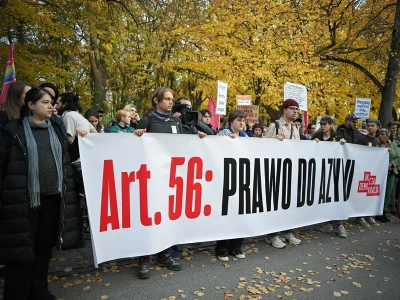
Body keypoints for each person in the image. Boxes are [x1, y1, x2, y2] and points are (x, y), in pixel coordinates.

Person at [0, 87, 84, 300]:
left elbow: (67, 156)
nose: (51, 106)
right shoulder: (12, 131)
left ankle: (38, 289)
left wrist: (81, 141)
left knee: (44, 248)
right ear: (31, 105)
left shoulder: (56, 127)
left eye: (52, 102)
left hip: (53, 199)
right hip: (23, 201)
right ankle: (17, 293)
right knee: (21, 252)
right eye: (46, 102)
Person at [133, 87, 206, 280]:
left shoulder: (175, 121)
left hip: (171, 179)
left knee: (167, 218)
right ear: (156, 100)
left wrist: (197, 138)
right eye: (166, 99)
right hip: (151, 178)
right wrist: (137, 134)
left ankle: (164, 255)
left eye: (171, 99)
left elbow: (183, 146)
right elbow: (133, 147)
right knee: (149, 219)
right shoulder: (147, 121)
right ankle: (144, 258)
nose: (170, 102)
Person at [263, 99, 302, 248]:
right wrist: (274, 140)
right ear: (284, 110)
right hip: (276, 170)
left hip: (290, 171)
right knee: (276, 203)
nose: (295, 111)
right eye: (292, 108)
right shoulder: (275, 125)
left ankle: (287, 231)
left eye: (296, 109)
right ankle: (272, 235)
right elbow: (263, 146)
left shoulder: (295, 128)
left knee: (289, 203)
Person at [214, 109, 248, 261]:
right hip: (226, 180)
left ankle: (236, 247)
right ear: (231, 122)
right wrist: (229, 142)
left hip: (241, 180)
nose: (241, 123)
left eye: (243, 120)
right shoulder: (222, 134)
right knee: (227, 215)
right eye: (238, 120)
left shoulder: (246, 136)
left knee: (241, 214)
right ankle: (221, 249)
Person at [311, 116, 347, 238]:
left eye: (325, 124)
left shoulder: (337, 137)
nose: (322, 126)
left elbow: (344, 151)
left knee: (335, 198)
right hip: (321, 172)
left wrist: (343, 144)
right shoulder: (317, 136)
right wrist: (313, 144)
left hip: (334, 172)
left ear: (331, 125)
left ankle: (339, 225)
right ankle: (327, 222)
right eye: (321, 124)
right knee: (324, 197)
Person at [356, 119, 381, 227]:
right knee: (362, 193)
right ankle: (360, 216)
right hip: (363, 171)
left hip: (373, 172)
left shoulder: (378, 141)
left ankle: (369, 215)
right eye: (368, 126)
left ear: (377, 127)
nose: (370, 127)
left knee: (371, 193)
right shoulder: (362, 139)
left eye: (372, 126)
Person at [376, 128, 400, 223]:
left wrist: (391, 164)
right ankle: (376, 212)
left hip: (391, 172)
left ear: (387, 136)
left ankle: (383, 212)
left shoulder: (393, 145)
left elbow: (398, 157)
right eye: (379, 134)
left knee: (387, 193)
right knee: (378, 193)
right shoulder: (377, 145)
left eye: (383, 134)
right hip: (378, 173)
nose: (381, 136)